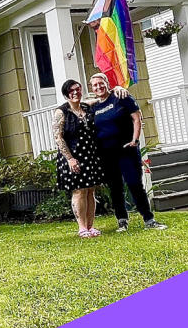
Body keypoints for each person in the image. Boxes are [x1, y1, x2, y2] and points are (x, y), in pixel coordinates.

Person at [89, 73, 166, 231]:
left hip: (126, 150)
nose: (98, 87)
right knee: (115, 187)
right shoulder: (94, 106)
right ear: (92, 88)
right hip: (106, 153)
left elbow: (137, 118)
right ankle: (122, 221)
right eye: (95, 85)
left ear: (107, 83)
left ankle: (149, 220)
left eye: (101, 83)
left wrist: (135, 140)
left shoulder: (121, 97)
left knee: (134, 184)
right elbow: (75, 104)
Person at [51, 79, 105, 237]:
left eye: (78, 89)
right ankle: (82, 228)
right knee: (79, 191)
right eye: (71, 91)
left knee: (90, 191)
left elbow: (101, 98)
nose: (75, 93)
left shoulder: (87, 107)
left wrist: (115, 90)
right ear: (66, 94)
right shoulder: (61, 112)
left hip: (90, 155)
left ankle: (91, 226)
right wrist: (70, 159)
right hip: (73, 156)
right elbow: (58, 137)